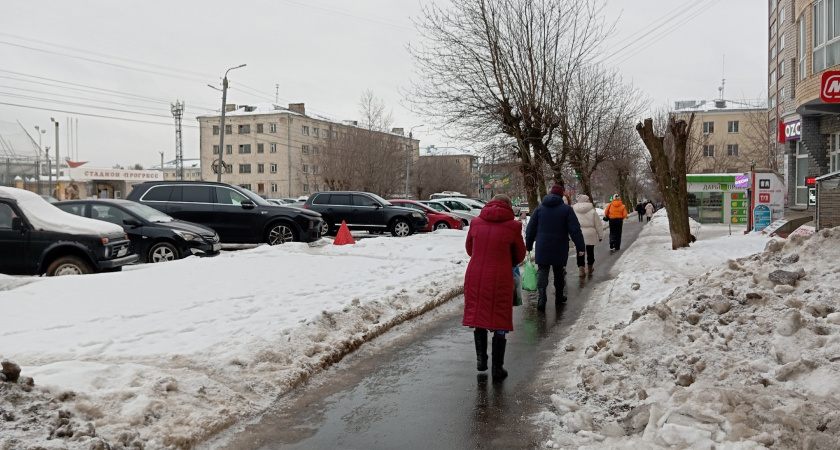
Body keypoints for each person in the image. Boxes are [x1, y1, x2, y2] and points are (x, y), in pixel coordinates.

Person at [463, 194, 526, 380]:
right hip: (500, 276)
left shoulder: (475, 222)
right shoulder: (514, 226)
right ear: (508, 206)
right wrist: (508, 260)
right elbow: (519, 255)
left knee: (479, 315)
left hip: (475, 274)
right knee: (499, 317)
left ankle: (481, 360)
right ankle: (497, 369)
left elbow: (469, 249)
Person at [525, 184, 585, 312]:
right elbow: (575, 230)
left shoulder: (539, 208)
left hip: (542, 244)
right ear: (561, 195)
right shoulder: (566, 210)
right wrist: (580, 246)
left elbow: (530, 228)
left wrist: (529, 245)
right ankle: (559, 296)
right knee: (558, 271)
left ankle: (542, 298)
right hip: (560, 244)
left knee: (543, 270)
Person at [572, 195, 605, 277]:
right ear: (586, 200)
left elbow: (572, 224)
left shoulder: (574, 211)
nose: (589, 200)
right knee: (590, 251)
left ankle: (581, 269)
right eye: (588, 199)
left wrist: (571, 236)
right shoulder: (592, 211)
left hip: (579, 234)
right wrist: (600, 236)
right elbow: (598, 224)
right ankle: (590, 267)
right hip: (590, 233)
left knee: (580, 252)